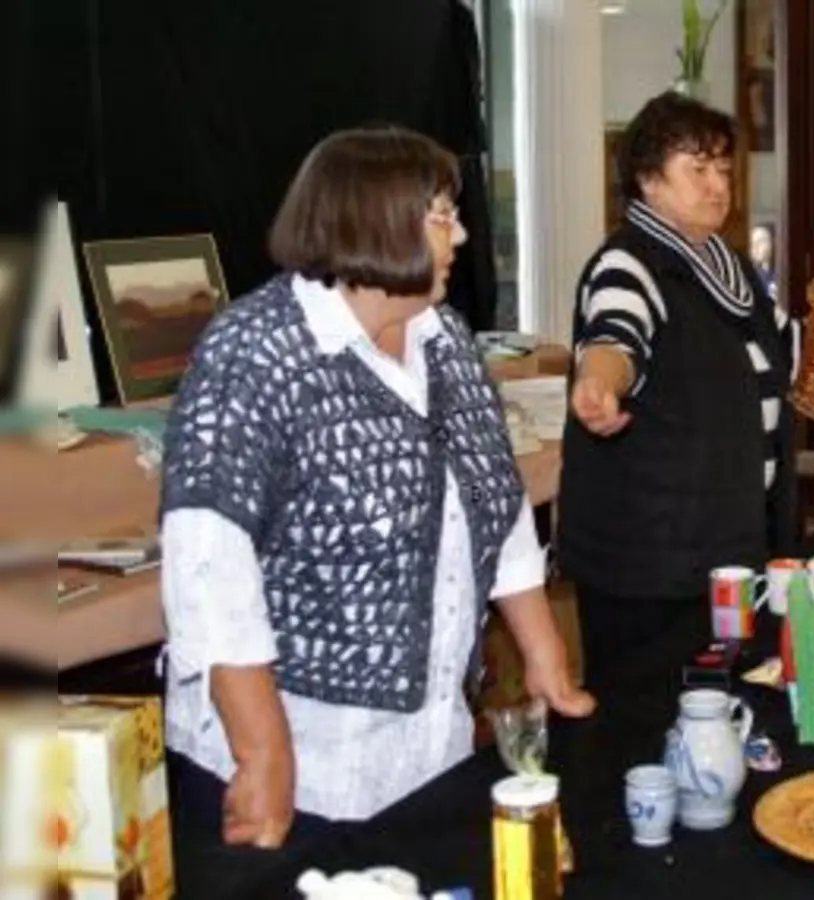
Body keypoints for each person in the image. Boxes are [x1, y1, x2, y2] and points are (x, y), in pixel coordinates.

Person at [158, 126, 593, 860]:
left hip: (426, 747)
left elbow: (497, 498)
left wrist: (544, 656)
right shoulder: (255, 353)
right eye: (440, 215)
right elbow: (209, 573)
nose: (458, 233)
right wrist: (265, 753)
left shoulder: (444, 337)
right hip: (301, 763)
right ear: (375, 223)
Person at [557, 92, 804, 691]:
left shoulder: (730, 268)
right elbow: (614, 336)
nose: (718, 184)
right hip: (651, 566)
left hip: (729, 545)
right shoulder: (627, 263)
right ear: (648, 179)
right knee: (644, 720)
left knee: (722, 710)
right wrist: (600, 384)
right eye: (698, 168)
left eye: (723, 168)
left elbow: (794, 356)